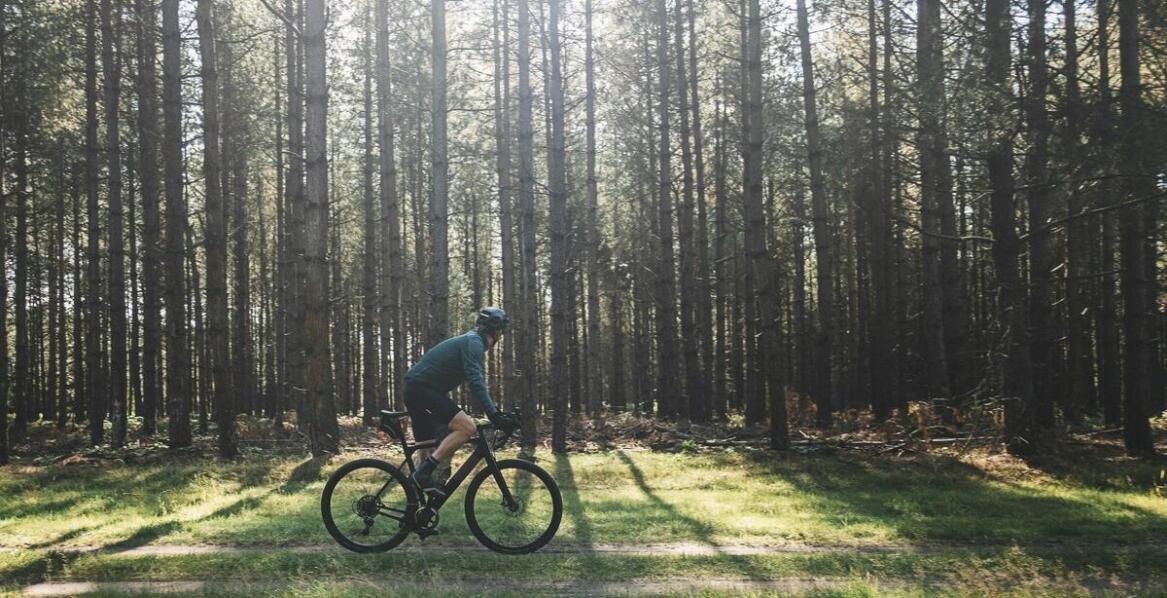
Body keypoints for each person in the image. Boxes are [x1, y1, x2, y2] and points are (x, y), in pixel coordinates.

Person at [404, 307, 517, 495]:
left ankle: (415, 513)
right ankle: (423, 475)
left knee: (428, 451)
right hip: (421, 390)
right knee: (467, 428)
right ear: (497, 332)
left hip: (416, 389)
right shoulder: (474, 343)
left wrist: (494, 411)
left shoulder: (472, 340)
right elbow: (476, 381)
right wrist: (494, 414)